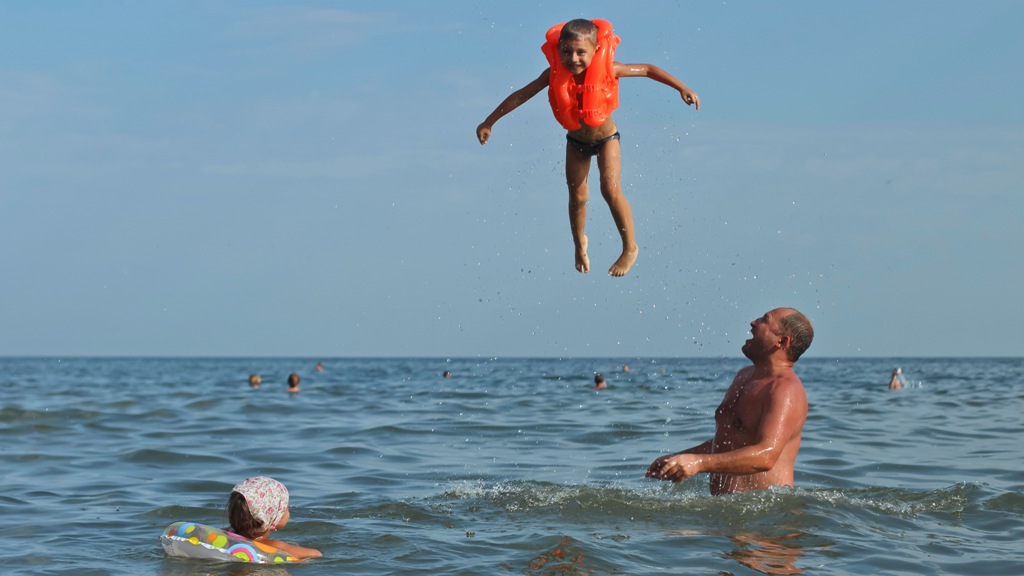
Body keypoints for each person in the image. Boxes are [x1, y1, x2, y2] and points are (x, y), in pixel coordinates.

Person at [476, 18, 700, 277]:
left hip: (607, 139)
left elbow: (648, 69)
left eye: (581, 52)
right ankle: (579, 243)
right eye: (567, 51)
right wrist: (489, 122)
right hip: (576, 143)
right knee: (577, 197)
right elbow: (522, 94)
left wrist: (682, 88)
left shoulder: (610, 69)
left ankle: (630, 248)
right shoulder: (553, 75)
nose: (574, 58)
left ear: (595, 50)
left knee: (610, 188)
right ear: (558, 50)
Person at [646, 308, 814, 495]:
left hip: (765, 517)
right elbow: (730, 440)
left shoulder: (785, 390)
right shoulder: (744, 376)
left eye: (764, 320)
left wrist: (699, 463)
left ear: (782, 341)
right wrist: (679, 458)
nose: (753, 322)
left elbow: (766, 456)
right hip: (727, 512)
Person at [227, 476, 321, 559]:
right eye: (286, 508)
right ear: (273, 517)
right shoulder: (275, 547)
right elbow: (315, 554)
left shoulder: (225, 535)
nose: (288, 511)